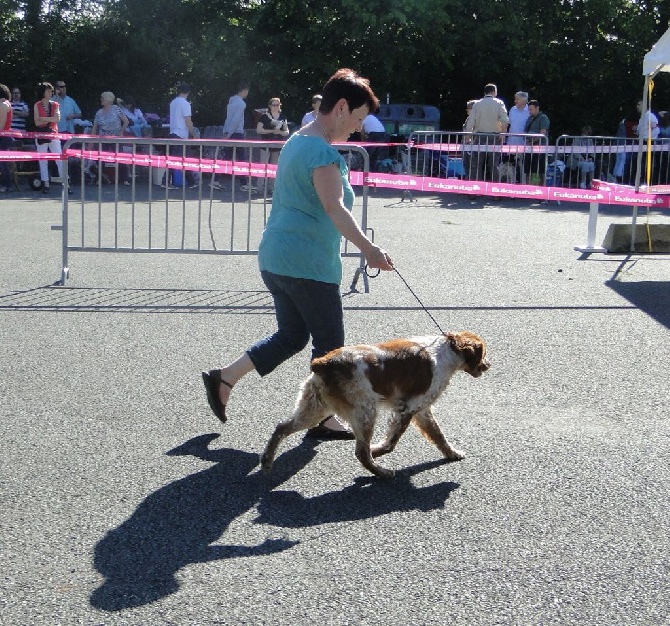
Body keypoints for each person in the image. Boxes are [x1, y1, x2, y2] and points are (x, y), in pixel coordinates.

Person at [201, 68, 394, 440]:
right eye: (356, 119)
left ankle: (224, 378)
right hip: (307, 264)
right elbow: (335, 208)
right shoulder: (322, 153)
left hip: (277, 258)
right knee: (331, 348)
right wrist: (369, 250)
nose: (357, 129)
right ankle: (322, 417)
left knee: (291, 336)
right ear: (340, 107)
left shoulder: (297, 140)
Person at [465, 83, 508, 180]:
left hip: (479, 136)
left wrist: (468, 136)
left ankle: (476, 189)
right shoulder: (499, 103)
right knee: (494, 164)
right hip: (494, 137)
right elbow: (505, 120)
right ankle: (495, 189)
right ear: (494, 91)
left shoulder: (477, 104)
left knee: (476, 164)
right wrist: (502, 133)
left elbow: (471, 121)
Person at [214, 81, 251, 191]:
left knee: (226, 158)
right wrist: (230, 133)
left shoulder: (231, 102)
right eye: (247, 92)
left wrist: (226, 133)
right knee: (241, 158)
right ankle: (244, 184)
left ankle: (215, 180)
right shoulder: (241, 104)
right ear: (244, 91)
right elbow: (236, 120)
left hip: (228, 132)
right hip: (237, 133)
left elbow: (228, 119)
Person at [91, 91, 130, 185]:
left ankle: (124, 179)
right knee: (100, 158)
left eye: (102, 98)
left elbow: (126, 121)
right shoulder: (99, 113)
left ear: (108, 100)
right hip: (102, 138)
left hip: (115, 137)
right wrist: (91, 141)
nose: (101, 100)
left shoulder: (116, 109)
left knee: (120, 157)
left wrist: (121, 132)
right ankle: (101, 177)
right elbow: (95, 127)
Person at [33, 82, 65, 194]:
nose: (50, 93)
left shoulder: (55, 104)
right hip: (41, 135)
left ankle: (66, 184)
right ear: (43, 92)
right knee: (43, 160)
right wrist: (50, 118)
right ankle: (45, 183)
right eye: (48, 91)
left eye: (51, 91)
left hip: (53, 134)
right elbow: (36, 123)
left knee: (59, 159)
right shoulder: (37, 105)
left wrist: (43, 118)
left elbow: (57, 119)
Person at [256, 97, 289, 195]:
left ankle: (272, 188)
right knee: (263, 166)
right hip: (265, 144)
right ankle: (260, 188)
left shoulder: (282, 117)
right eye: (274, 105)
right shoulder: (264, 116)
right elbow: (259, 130)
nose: (276, 107)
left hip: (277, 145)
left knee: (273, 167)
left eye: (278, 105)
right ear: (270, 106)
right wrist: (271, 131)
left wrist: (280, 132)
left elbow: (286, 132)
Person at [167, 82, 197, 188]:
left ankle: (191, 181)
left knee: (179, 158)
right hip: (181, 134)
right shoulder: (185, 103)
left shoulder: (173, 102)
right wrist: (193, 133)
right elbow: (188, 120)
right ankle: (165, 182)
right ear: (188, 92)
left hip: (173, 132)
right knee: (179, 159)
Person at [523, 99, 550, 183]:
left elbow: (543, 134)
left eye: (531, 109)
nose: (530, 111)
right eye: (529, 109)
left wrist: (532, 142)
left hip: (539, 149)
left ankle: (539, 188)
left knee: (538, 170)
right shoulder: (529, 119)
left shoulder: (543, 118)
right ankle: (528, 186)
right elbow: (525, 132)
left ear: (537, 108)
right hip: (529, 149)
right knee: (528, 169)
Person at [507, 91, 530, 182]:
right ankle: (512, 184)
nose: (515, 101)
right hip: (511, 142)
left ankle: (523, 185)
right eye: (515, 99)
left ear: (524, 100)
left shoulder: (529, 111)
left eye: (517, 99)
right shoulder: (512, 109)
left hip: (524, 143)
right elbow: (509, 124)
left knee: (523, 165)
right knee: (511, 164)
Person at [0, 84, 13, 193]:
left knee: (2, 162)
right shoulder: (6, 104)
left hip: (3, 136)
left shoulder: (3, 105)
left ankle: (6, 184)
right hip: (5, 135)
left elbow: (2, 124)